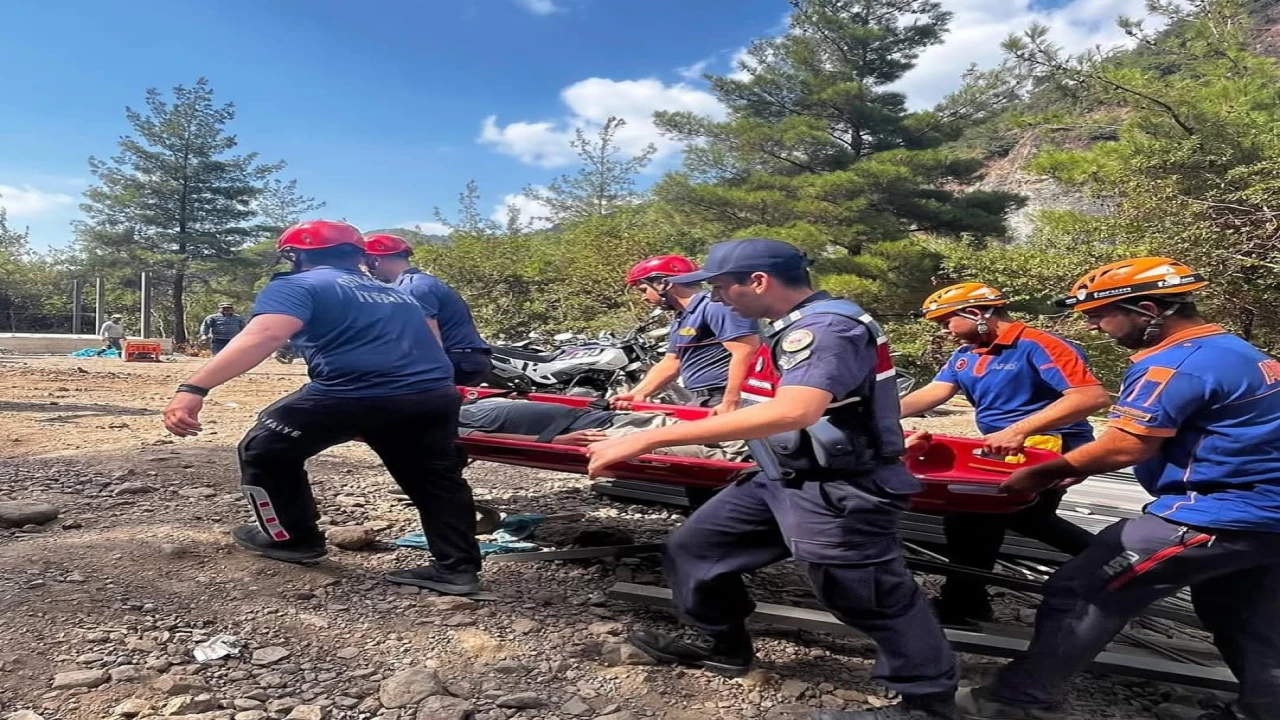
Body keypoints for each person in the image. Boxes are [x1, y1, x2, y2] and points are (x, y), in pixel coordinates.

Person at [587, 239, 958, 720]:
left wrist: (648, 439)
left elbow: (796, 409)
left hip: (839, 486)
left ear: (758, 281)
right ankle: (721, 644)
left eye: (721, 288)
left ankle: (926, 704)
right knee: (695, 548)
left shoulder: (827, 327)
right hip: (780, 476)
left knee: (868, 595)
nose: (717, 300)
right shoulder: (789, 325)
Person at [957, 258, 1280, 720]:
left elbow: (1126, 446)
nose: (1092, 327)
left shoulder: (1175, 365)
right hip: (1267, 515)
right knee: (1245, 615)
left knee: (1083, 588)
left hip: (1219, 513)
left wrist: (1043, 472)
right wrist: (1085, 468)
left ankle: (1016, 701)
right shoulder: (1236, 351)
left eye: (1098, 316)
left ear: (1147, 310)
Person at [161, 220, 483, 595]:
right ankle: (457, 568)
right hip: (433, 394)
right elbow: (429, 342)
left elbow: (265, 335)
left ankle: (291, 538)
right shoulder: (394, 293)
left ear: (295, 255)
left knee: (265, 450)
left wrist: (194, 387)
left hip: (353, 392)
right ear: (358, 256)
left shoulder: (298, 285)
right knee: (435, 478)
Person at [899, 282, 1109, 627]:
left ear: (975, 313)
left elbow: (1090, 398)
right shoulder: (967, 353)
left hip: (1048, 448)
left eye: (946, 322)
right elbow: (934, 392)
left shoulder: (1040, 346)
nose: (945, 332)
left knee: (989, 518)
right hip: (1001, 451)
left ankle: (962, 605)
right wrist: (883, 414)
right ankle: (967, 603)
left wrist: (1019, 430)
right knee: (990, 518)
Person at [612, 255, 760, 414]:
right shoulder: (683, 316)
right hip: (703, 398)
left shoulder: (715, 306)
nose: (643, 298)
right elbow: (672, 362)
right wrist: (636, 394)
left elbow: (746, 351)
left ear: (664, 284)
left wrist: (731, 401)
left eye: (644, 290)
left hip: (725, 396)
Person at [363, 233, 493, 385]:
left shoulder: (411, 288)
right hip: (468, 359)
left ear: (375, 261)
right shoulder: (423, 282)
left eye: (366, 263)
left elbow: (429, 338)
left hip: (455, 360)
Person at [458, 396, 749, 462]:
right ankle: (760, 458)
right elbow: (482, 438)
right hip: (597, 433)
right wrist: (555, 440)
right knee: (708, 450)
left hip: (601, 419)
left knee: (700, 429)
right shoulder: (445, 422)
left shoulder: (464, 403)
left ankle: (765, 444)